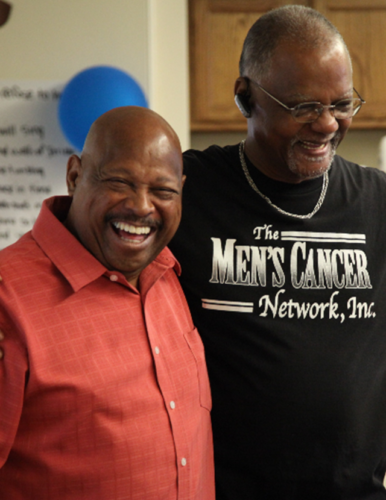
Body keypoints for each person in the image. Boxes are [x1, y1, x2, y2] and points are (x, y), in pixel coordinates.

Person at [170, 5, 386, 500]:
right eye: (304, 107)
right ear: (246, 97)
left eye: (342, 103)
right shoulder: (185, 190)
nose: (328, 124)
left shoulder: (379, 204)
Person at [0, 106, 215, 500]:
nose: (141, 206)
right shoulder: (6, 298)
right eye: (119, 182)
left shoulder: (168, 273)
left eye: (163, 191)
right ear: (75, 176)